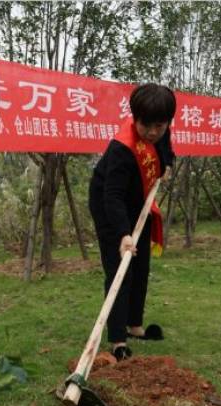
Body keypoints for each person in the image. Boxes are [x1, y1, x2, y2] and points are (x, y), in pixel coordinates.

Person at [88, 83, 176, 361]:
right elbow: (111, 196)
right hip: (109, 207)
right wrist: (123, 235)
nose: (152, 132)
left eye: (159, 127)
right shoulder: (121, 150)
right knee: (119, 270)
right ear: (135, 118)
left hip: (141, 203)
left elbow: (166, 151)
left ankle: (134, 325)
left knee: (141, 266)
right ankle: (117, 340)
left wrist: (167, 166)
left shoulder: (162, 131)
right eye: (145, 125)